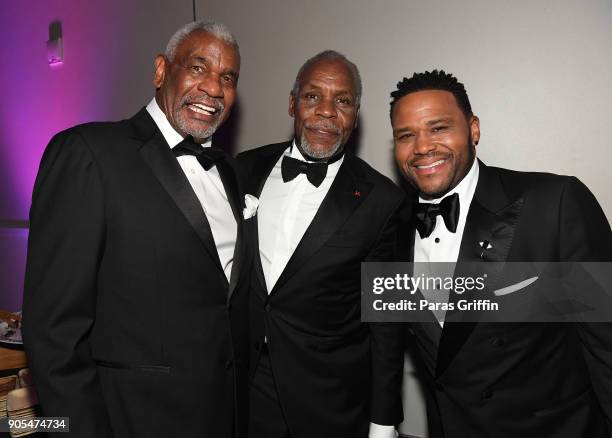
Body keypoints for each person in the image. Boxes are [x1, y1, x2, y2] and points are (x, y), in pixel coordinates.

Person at [22, 20, 251, 437]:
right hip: (132, 420)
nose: (214, 88)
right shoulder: (89, 154)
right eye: (198, 68)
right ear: (161, 71)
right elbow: (54, 333)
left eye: (227, 77)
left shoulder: (232, 175)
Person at [391, 70, 612, 437]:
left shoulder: (553, 204)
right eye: (406, 135)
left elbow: (607, 344)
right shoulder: (391, 228)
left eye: (439, 127)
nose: (423, 146)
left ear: (473, 129)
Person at [237, 50, 405, 438]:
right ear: (293, 103)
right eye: (313, 96)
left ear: (356, 114)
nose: (327, 111)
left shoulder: (383, 201)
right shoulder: (243, 170)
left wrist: (383, 423)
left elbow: (388, 325)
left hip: (329, 403)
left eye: (342, 101)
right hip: (243, 392)